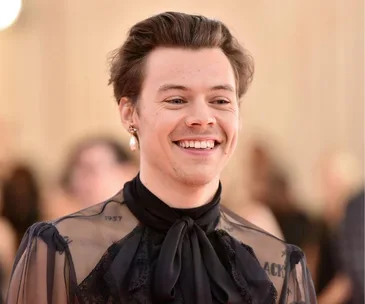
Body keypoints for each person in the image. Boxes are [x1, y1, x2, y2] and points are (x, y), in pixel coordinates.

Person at [6, 12, 316, 303]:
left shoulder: (279, 264)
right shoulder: (61, 249)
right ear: (130, 113)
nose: (202, 118)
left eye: (220, 100)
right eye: (177, 99)